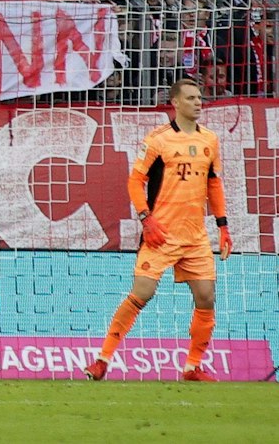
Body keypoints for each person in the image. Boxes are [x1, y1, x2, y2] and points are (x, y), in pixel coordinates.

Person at [86, 79, 232, 382]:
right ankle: (102, 359)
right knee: (143, 292)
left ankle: (192, 367)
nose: (198, 102)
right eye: (190, 98)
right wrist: (146, 218)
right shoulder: (158, 139)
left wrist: (223, 226)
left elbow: (213, 184)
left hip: (195, 236)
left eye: (199, 97)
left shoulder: (210, 140)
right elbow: (135, 181)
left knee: (206, 297)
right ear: (175, 103)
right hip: (161, 233)